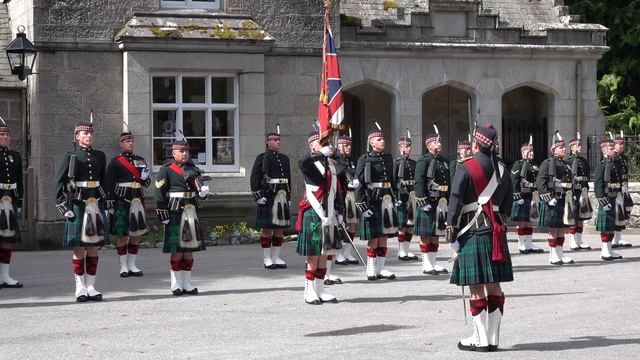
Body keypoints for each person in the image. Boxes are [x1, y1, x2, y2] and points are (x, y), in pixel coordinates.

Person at [447, 124, 513, 352]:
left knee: (476, 286)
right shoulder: (503, 169)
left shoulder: (465, 166)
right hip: (496, 230)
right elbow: (507, 205)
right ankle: (493, 338)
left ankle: (480, 338)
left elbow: (455, 200)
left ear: (476, 143)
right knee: (494, 285)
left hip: (472, 230)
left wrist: (451, 231)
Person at [55, 120, 109, 302]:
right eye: (84, 134)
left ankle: (91, 286)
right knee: (79, 247)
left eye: (91, 133)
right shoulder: (71, 156)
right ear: (77, 136)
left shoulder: (100, 156)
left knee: (93, 246)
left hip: (96, 203)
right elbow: (59, 182)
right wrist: (63, 206)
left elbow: (104, 180)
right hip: (78, 204)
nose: (89, 136)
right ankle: (80, 287)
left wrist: (107, 203)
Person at [154, 136, 209, 295]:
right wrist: (162, 212)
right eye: (181, 151)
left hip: (191, 210)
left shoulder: (194, 169)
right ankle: (176, 282)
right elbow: (159, 193)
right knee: (176, 249)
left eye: (186, 151)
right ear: (174, 152)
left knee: (189, 248)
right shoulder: (166, 169)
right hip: (175, 211)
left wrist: (204, 194)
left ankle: (187, 282)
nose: (184, 154)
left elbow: (199, 188)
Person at [295, 132, 342, 304]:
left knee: (325, 253)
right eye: (318, 142)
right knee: (313, 254)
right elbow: (302, 162)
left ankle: (321, 289)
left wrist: (334, 153)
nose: (322, 144)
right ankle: (309, 290)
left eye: (324, 142)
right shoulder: (310, 163)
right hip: (314, 212)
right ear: (311, 146)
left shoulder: (331, 164)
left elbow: (341, 176)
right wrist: (320, 153)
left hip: (329, 212)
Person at [105, 131, 151, 278]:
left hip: (137, 200)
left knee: (136, 233)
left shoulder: (141, 160)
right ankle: (123, 266)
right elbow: (109, 185)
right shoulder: (116, 162)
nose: (130, 143)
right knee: (122, 234)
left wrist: (144, 178)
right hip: (122, 200)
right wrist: (110, 204)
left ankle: (132, 265)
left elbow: (146, 183)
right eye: (127, 141)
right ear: (121, 144)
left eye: (131, 141)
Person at [355, 126, 398, 281]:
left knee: (384, 236)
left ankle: (381, 268)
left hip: (387, 200)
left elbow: (392, 180)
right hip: (373, 200)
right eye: (379, 139)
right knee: (374, 237)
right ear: (372, 143)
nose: (382, 141)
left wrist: (396, 197)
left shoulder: (387, 158)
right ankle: (371, 269)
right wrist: (362, 205)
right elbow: (359, 183)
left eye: (383, 139)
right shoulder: (364, 159)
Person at [250, 128, 291, 269]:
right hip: (269, 195)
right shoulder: (262, 157)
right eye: (274, 140)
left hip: (282, 195)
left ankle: (276, 257)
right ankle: (267, 258)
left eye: (279, 139)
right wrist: (258, 195)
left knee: (279, 229)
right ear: (268, 142)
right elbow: (255, 177)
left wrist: (289, 196)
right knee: (267, 229)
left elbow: (288, 179)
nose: (278, 142)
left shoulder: (284, 159)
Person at [414, 129, 450, 275]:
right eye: (435, 142)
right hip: (429, 200)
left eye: (439, 141)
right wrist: (422, 201)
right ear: (428, 145)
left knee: (436, 233)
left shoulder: (444, 161)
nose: (439, 144)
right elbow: (419, 182)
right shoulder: (424, 161)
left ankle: (433, 263)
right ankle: (426, 264)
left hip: (441, 201)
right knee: (426, 234)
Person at [536, 132, 575, 265]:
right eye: (560, 148)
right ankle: (553, 255)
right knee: (553, 229)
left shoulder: (566, 165)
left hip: (564, 199)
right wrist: (547, 198)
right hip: (553, 199)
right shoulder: (547, 164)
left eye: (564, 147)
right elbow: (540, 182)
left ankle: (560, 253)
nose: (564, 149)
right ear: (553, 150)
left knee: (561, 229)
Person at [0, 120, 23, 289]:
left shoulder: (15, 155)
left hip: (11, 199)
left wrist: (20, 202)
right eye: (2, 135)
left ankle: (5, 275)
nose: (6, 137)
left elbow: (19, 181)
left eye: (7, 135)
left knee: (8, 239)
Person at [510, 140, 543, 254]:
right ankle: (521, 244)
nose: (532, 153)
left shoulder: (534, 166)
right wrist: (516, 196)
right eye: (529, 151)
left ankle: (529, 243)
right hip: (522, 196)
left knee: (529, 221)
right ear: (523, 153)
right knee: (521, 222)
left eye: (532, 151)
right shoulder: (518, 164)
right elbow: (514, 181)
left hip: (531, 195)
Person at [594, 137, 623, 261]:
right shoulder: (602, 166)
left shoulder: (615, 163)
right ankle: (605, 251)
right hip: (607, 198)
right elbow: (598, 185)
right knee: (606, 227)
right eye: (611, 148)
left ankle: (610, 250)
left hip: (615, 197)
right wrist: (603, 201)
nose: (614, 150)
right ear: (604, 150)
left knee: (612, 226)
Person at [333, 134, 359, 266]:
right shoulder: (336, 160)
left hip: (352, 195)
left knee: (352, 223)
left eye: (349, 145)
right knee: (340, 225)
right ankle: (338, 254)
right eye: (345, 145)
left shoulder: (352, 160)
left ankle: (347, 252)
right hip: (341, 195)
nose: (349, 147)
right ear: (339, 146)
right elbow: (338, 173)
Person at [394, 135, 418, 261]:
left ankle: (407, 250)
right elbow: (393, 181)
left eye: (408, 146)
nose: (406, 149)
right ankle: (401, 251)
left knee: (411, 224)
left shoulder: (414, 163)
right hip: (401, 196)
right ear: (399, 148)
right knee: (402, 225)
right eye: (403, 146)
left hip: (411, 195)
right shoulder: (397, 163)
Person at [566, 134, 592, 250]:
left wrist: (586, 190)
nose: (580, 147)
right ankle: (572, 241)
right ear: (572, 148)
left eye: (580, 145)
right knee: (573, 217)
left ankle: (579, 240)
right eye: (578, 145)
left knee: (581, 218)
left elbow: (586, 175)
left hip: (582, 191)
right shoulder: (568, 162)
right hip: (573, 192)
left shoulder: (583, 161)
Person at [612, 133, 633, 248]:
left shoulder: (624, 158)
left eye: (622, 144)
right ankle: (614, 239)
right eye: (618, 144)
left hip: (624, 187)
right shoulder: (612, 158)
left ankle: (619, 238)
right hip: (616, 188)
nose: (621, 146)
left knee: (622, 212)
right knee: (616, 212)